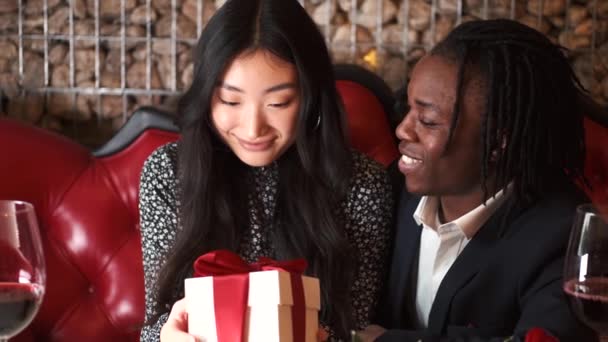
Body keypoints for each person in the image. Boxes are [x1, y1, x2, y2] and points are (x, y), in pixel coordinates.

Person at [138, 0, 393, 341]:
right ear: (206, 96)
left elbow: (356, 328)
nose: (253, 128)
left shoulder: (360, 184)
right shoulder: (170, 173)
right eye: (230, 101)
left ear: (310, 98)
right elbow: (155, 325)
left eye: (278, 103)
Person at [358, 19, 598, 341]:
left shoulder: (562, 236)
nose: (403, 129)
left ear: (498, 141)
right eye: (408, 108)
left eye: (427, 121)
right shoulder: (394, 190)